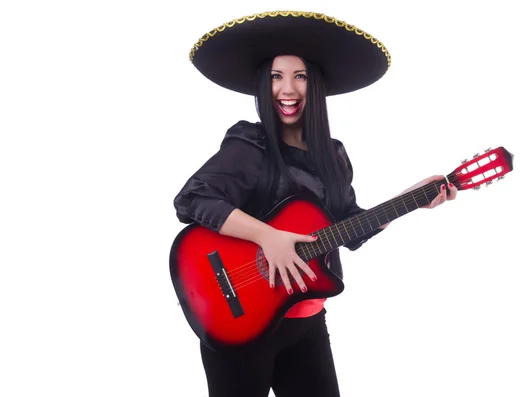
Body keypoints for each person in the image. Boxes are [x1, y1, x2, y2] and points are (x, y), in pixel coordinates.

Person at [173, 10, 458, 397]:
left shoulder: (333, 155)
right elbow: (193, 199)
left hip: (306, 322)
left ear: (316, 85)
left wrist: (411, 199)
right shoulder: (250, 144)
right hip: (241, 322)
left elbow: (349, 228)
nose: (287, 89)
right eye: (276, 76)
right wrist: (268, 237)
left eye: (299, 76)